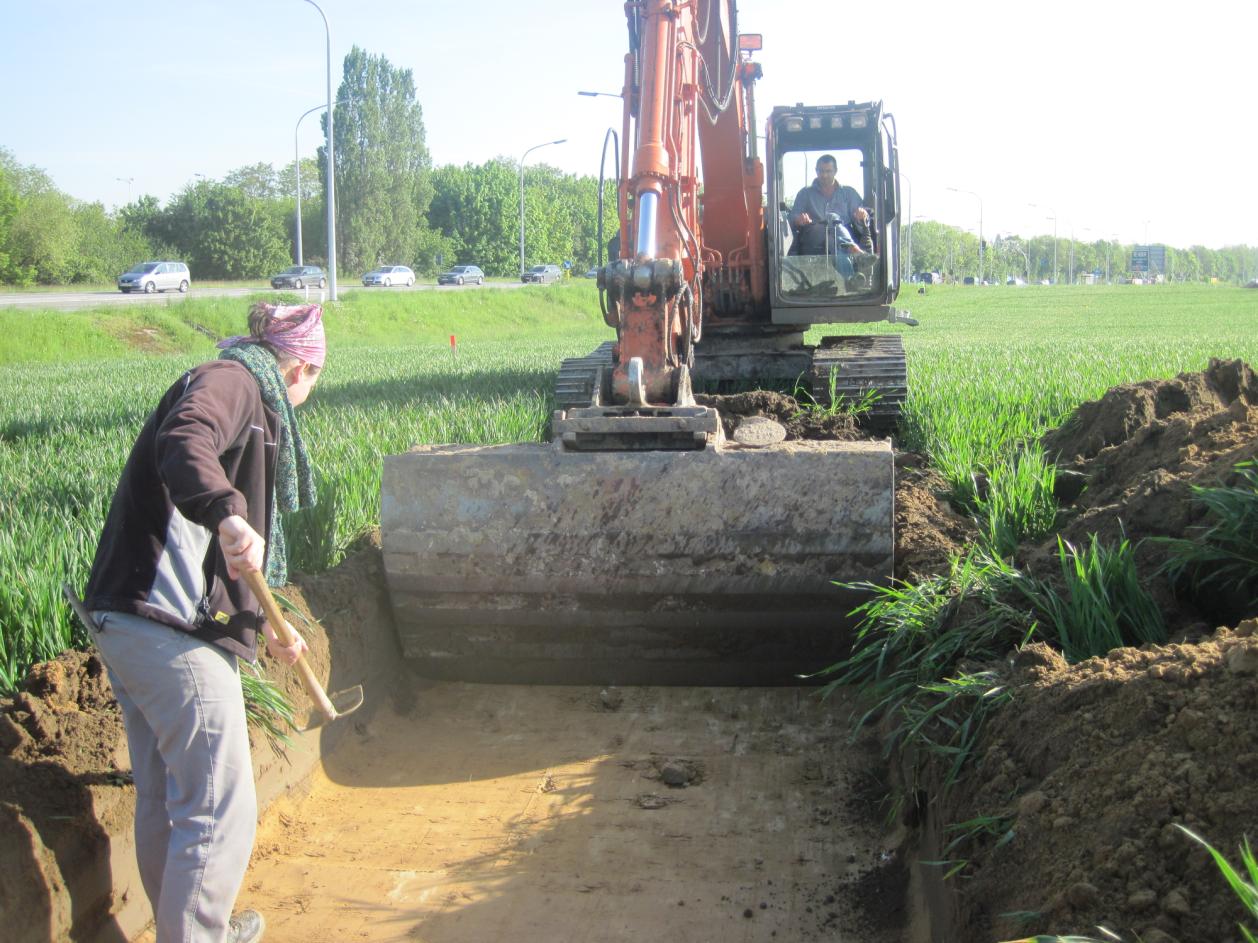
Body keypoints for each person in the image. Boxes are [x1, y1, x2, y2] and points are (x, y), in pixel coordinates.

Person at [83, 302, 326, 943]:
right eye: (317, 377)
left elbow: (230, 556)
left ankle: (186, 930)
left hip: (127, 615)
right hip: (167, 625)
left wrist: (263, 621)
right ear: (301, 365)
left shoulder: (243, 387)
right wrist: (226, 509)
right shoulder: (235, 382)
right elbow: (185, 439)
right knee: (220, 802)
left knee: (168, 797)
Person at [789, 154, 875, 277]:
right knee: (832, 218)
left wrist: (862, 215)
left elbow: (863, 218)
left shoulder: (849, 193)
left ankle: (850, 279)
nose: (824, 175)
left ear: (836, 171)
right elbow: (793, 217)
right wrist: (799, 219)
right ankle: (854, 250)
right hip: (813, 239)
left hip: (839, 240)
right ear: (816, 171)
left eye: (828, 171)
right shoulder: (805, 194)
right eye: (821, 171)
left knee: (834, 236)